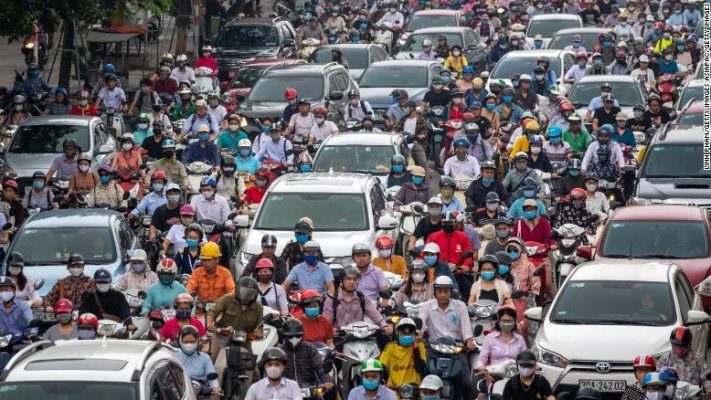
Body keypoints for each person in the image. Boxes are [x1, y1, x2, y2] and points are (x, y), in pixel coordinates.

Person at [418, 275, 475, 399]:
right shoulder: (426, 306)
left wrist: (469, 341)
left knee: (467, 383)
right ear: (435, 292)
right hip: (434, 348)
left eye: (446, 291)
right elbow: (420, 327)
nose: (443, 294)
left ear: (451, 292)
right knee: (424, 377)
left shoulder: (460, 306)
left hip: (456, 349)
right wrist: (419, 335)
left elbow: (466, 328)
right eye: (440, 291)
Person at [208, 277, 263, 386]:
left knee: (255, 371)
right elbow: (212, 312)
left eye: (249, 294)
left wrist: (258, 333)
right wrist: (210, 324)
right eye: (243, 292)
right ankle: (210, 388)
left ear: (255, 295)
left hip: (244, 340)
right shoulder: (227, 299)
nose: (245, 297)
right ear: (237, 290)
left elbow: (259, 327)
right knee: (212, 362)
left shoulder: (258, 308)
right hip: (222, 336)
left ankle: (254, 391)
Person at [322, 266, 390, 332]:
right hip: (339, 336)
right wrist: (330, 331)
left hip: (360, 334)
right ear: (342, 280)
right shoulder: (332, 299)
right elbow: (327, 320)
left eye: (355, 279)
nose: (352, 282)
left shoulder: (362, 297)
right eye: (348, 279)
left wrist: (384, 326)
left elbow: (374, 313)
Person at [279, 318, 335, 395]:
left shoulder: (310, 348)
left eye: (298, 336)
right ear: (284, 336)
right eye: (290, 336)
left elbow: (320, 367)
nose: (294, 339)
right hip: (285, 392)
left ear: (302, 335)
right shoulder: (279, 351)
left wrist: (328, 380)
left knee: (331, 390)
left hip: (311, 390)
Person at [475, 305, 526, 374]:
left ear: (514, 322)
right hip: (494, 375)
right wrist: (482, 367)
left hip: (515, 375)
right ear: (498, 322)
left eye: (510, 321)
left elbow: (526, 358)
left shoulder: (520, 339)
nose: (507, 323)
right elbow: (482, 358)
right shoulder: (490, 338)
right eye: (504, 321)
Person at [379, 317, 427, 390]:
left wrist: (415, 347)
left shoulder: (419, 345)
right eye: (404, 333)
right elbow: (381, 367)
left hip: (413, 388)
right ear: (398, 333)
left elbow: (420, 368)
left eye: (409, 333)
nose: (407, 335)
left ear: (415, 333)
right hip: (394, 388)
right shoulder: (391, 347)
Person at [175, 325, 220, 396]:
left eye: (192, 342)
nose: (189, 344)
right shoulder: (174, 356)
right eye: (186, 342)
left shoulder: (205, 358)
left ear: (197, 341)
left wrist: (215, 387)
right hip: (179, 392)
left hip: (200, 391)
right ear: (180, 341)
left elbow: (212, 377)